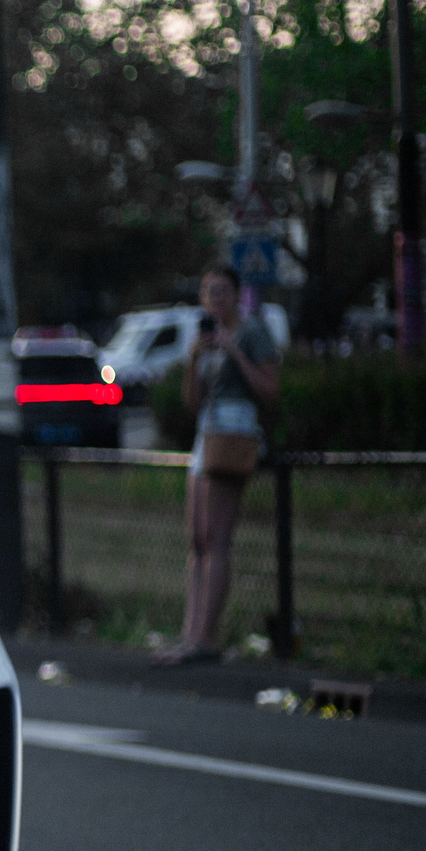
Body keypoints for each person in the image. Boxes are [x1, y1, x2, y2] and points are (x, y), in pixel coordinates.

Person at [157, 265, 280, 665]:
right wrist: (195, 359)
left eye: (224, 291)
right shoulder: (206, 340)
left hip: (234, 432)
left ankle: (205, 637)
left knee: (216, 537)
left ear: (237, 295)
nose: (217, 299)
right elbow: (191, 401)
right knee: (196, 537)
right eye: (210, 292)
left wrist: (234, 352)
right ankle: (190, 633)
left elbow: (270, 388)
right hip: (205, 433)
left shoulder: (252, 332)